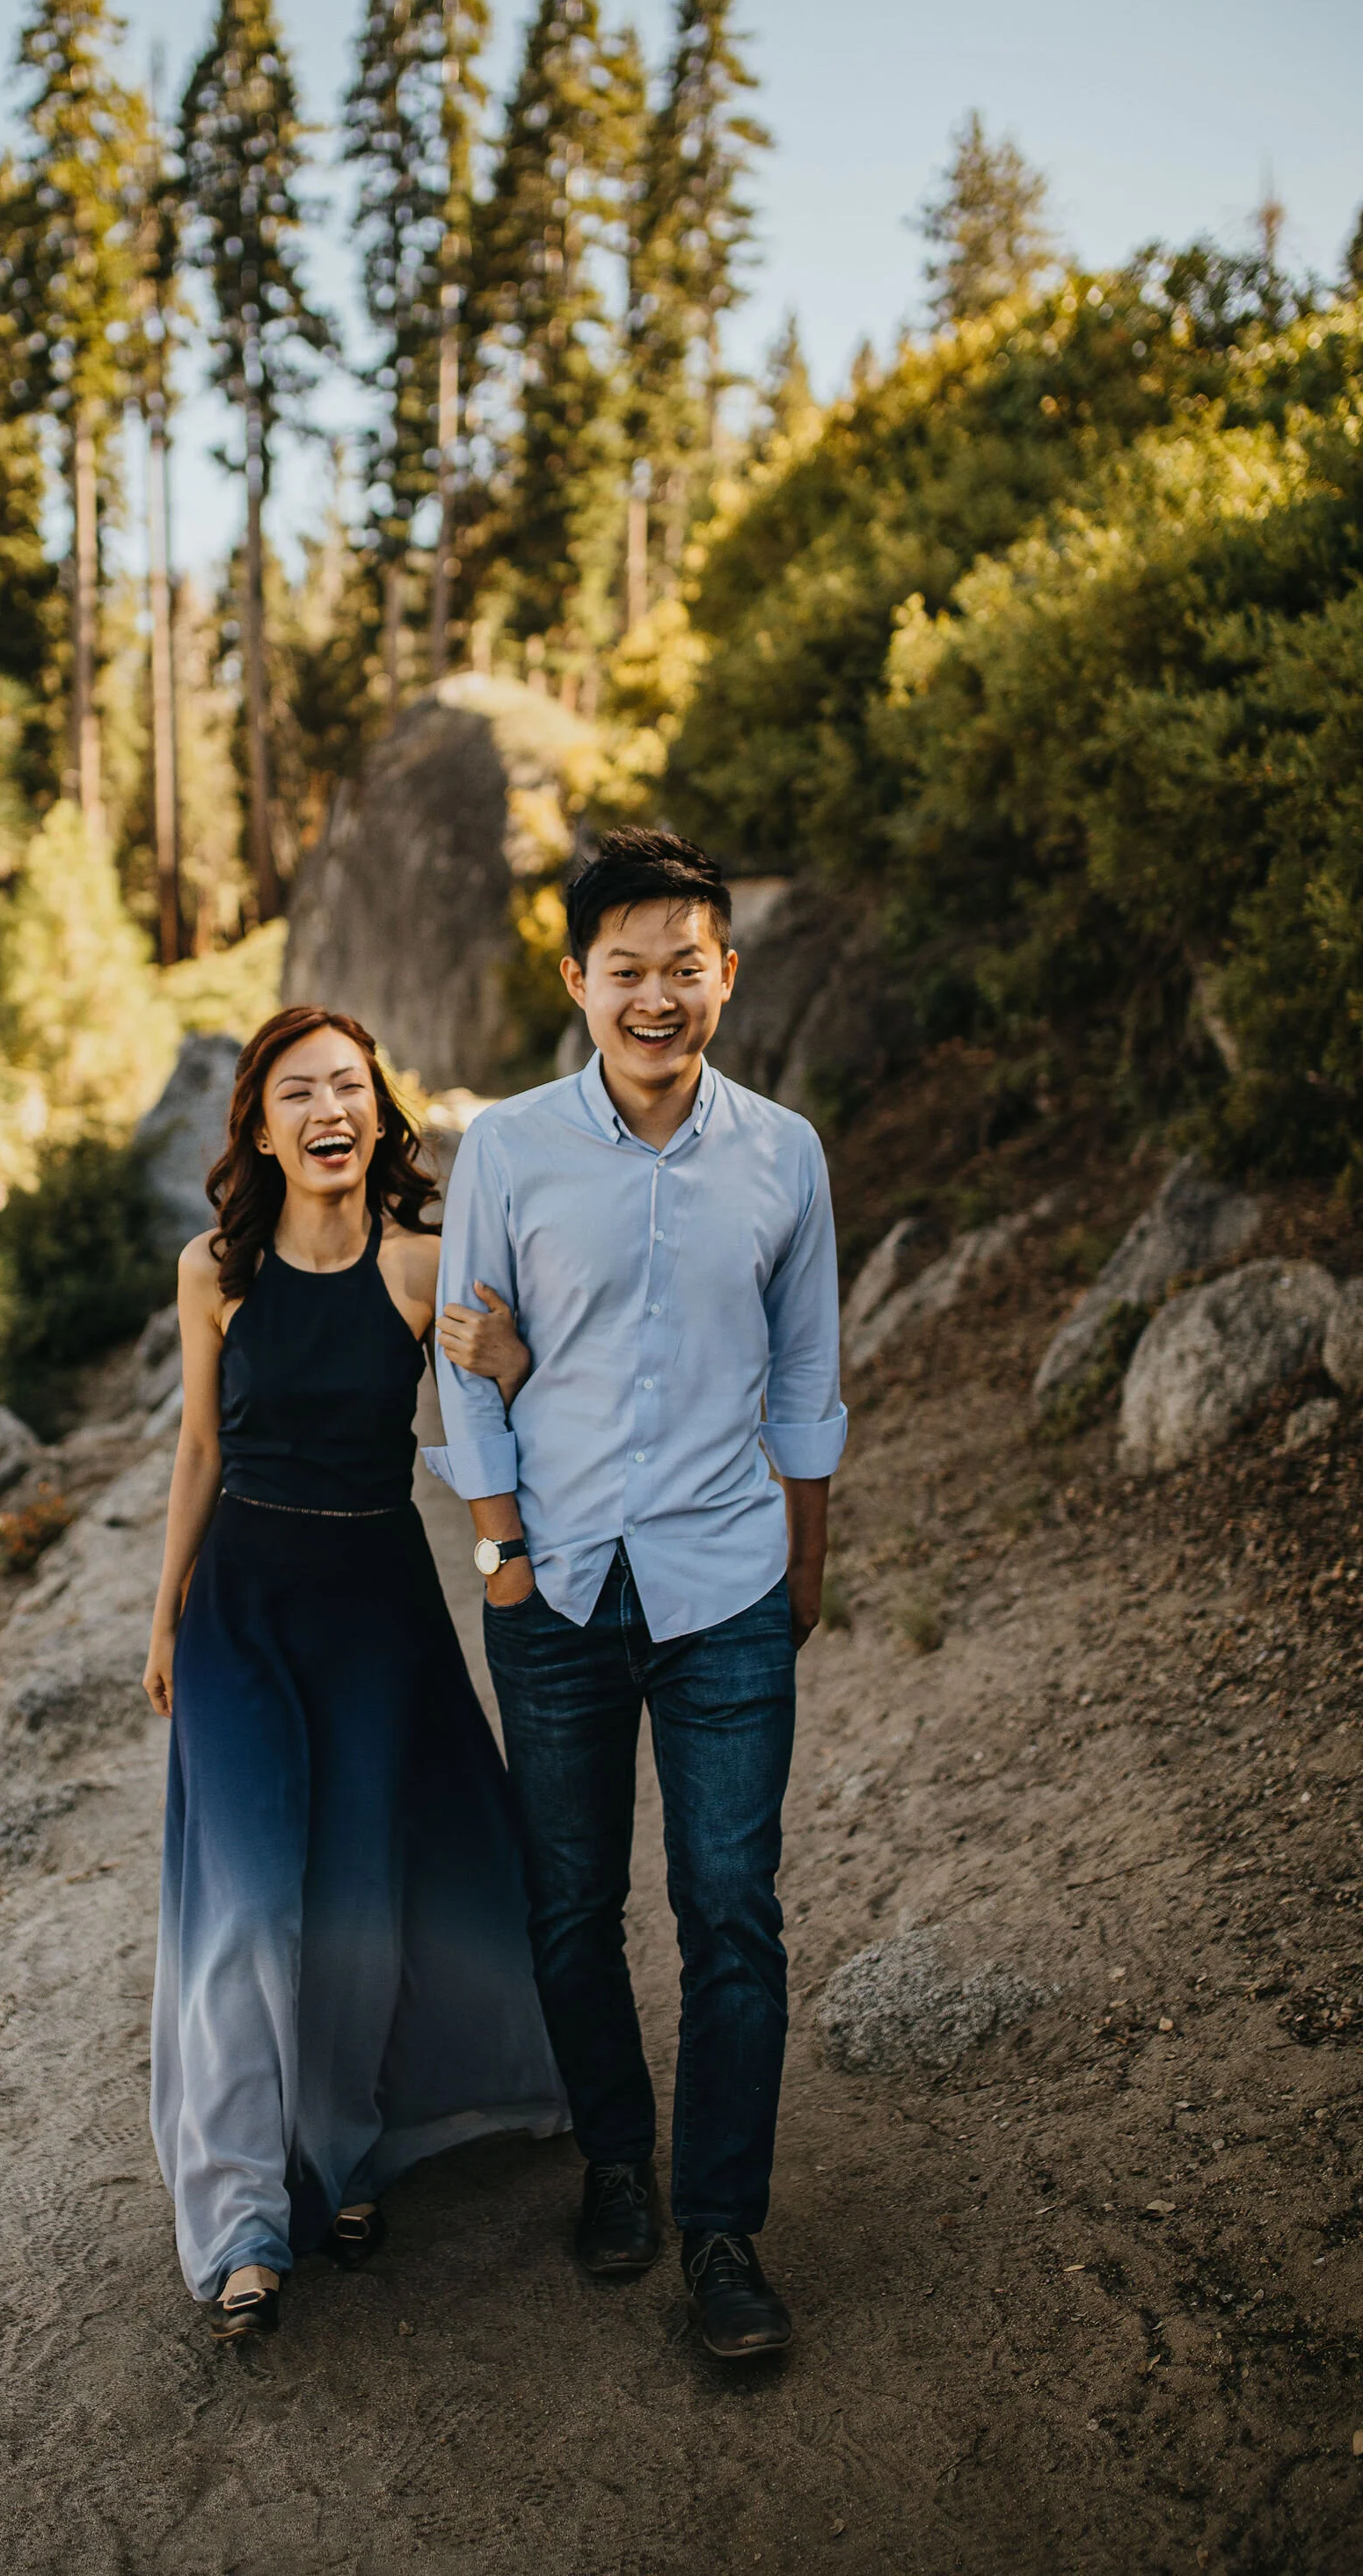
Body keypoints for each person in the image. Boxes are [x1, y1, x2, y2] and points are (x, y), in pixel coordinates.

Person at [428, 826, 846, 2361]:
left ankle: (723, 2229)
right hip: (552, 1587)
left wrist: (804, 1561)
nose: (656, 997)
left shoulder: (784, 1153)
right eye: (628, 971)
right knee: (571, 1904)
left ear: (724, 976)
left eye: (686, 968)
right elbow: (465, 1370)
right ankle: (618, 2156)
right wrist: (502, 1554)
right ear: (579, 982)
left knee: (733, 1911)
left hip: (728, 1578)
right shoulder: (513, 1151)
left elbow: (807, 1375)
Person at [142, 1003, 568, 2341]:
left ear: (378, 1114)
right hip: (244, 1615)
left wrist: (512, 1356)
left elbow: (527, 1398)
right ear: (259, 1128)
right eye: (297, 1093)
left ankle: (349, 2157)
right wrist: (165, 1618)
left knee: (359, 1906)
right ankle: (244, 2223)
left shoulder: (422, 1266)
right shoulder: (213, 1270)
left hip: (381, 1609)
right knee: (248, 1912)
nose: (328, 1110)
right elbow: (201, 1450)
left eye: (348, 1088)